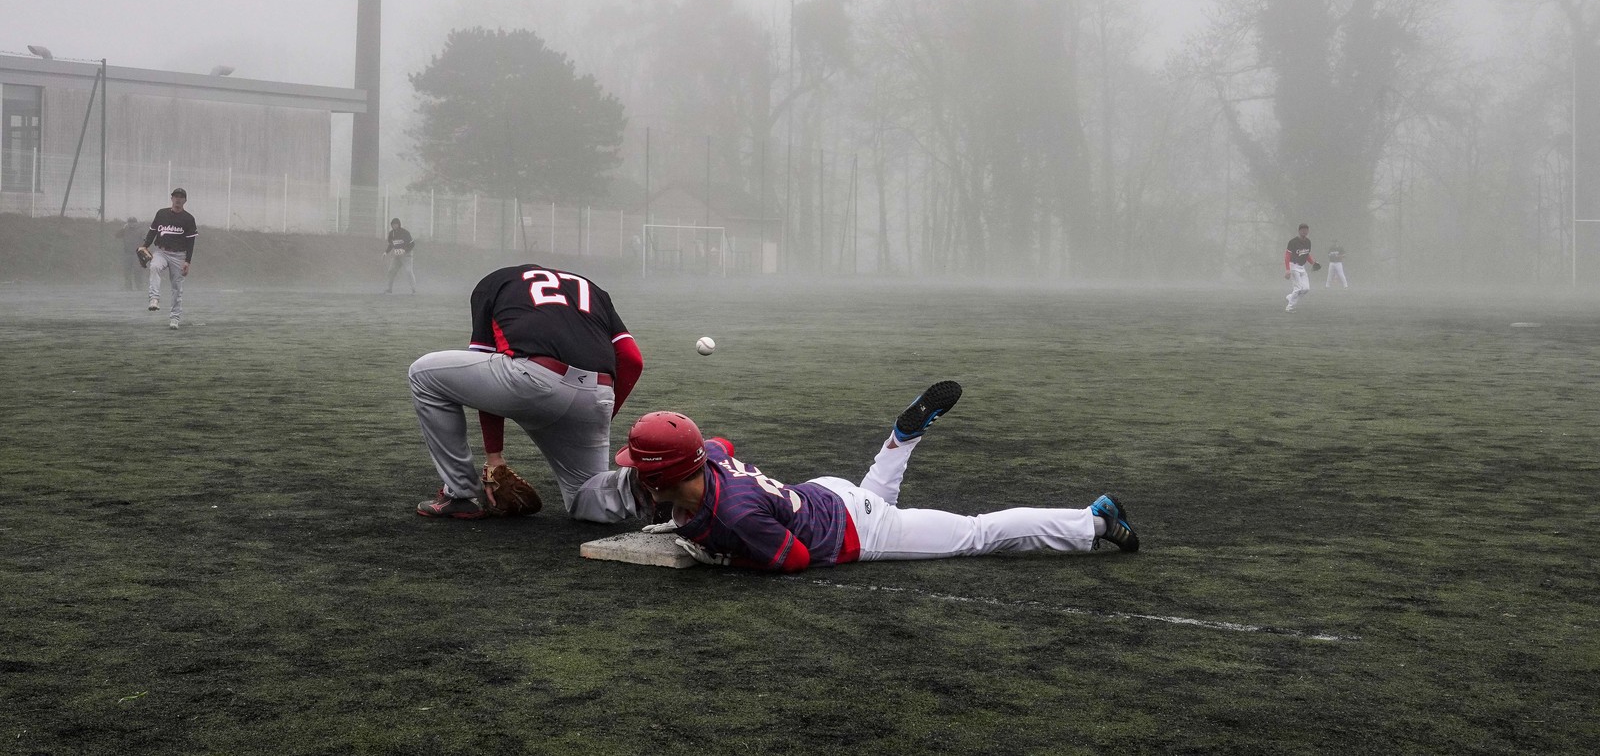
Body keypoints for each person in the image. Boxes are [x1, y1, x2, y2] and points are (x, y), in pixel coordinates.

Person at [616, 381, 1140, 571]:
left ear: (668, 474)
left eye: (641, 468)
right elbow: (721, 445)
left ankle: (1091, 523)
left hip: (857, 529)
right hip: (825, 492)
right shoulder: (706, 455)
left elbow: (794, 560)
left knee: (976, 534)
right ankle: (902, 438)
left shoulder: (735, 513)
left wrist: (722, 557)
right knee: (874, 494)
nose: (635, 476)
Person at [407, 263, 646, 523]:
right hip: (596, 394)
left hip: (530, 382)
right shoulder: (594, 289)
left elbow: (487, 362)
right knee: (588, 499)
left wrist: (493, 456)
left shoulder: (493, 282)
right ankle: (656, 486)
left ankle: (461, 494)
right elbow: (632, 360)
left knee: (422, 374)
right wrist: (601, 415)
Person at [140, 188, 198, 329]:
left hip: (179, 255)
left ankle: (174, 318)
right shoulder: (161, 214)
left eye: (181, 197)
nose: (178, 199)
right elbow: (152, 232)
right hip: (161, 251)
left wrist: (187, 261)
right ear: (171, 198)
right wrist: (145, 246)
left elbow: (191, 242)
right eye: (176, 196)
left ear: (185, 200)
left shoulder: (188, 219)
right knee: (154, 267)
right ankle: (154, 299)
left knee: (177, 288)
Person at [1284, 222, 1319, 312]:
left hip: (1302, 267)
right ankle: (1289, 307)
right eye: (1302, 230)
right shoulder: (1293, 242)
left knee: (1306, 288)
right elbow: (1287, 255)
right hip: (1293, 266)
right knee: (1298, 288)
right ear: (1299, 231)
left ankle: (1290, 297)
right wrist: (1287, 269)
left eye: (1306, 230)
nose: (1304, 231)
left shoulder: (1308, 242)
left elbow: (1306, 255)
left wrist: (1313, 263)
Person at [384, 218, 416, 294]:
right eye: (392, 224)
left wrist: (404, 250)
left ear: (399, 224)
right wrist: (386, 252)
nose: (394, 226)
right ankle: (389, 289)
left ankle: (413, 289)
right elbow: (391, 244)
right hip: (397, 256)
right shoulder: (391, 234)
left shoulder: (405, 232)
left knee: (408, 271)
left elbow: (412, 244)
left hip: (407, 255)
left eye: (396, 224)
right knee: (391, 271)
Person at [115, 216, 144, 290]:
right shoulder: (125, 230)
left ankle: (139, 286)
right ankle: (128, 287)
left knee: (137, 271)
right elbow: (117, 235)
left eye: (133, 222)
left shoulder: (140, 230)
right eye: (130, 222)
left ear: (136, 223)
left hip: (137, 254)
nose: (132, 224)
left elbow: (145, 240)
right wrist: (123, 228)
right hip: (127, 253)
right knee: (127, 271)